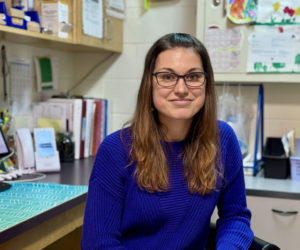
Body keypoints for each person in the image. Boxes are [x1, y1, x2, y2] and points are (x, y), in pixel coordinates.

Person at [81, 33, 253, 249]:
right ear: (149, 84)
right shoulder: (115, 150)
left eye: (193, 77)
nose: (181, 89)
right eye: (167, 77)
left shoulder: (223, 139)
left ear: (206, 83)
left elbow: (235, 217)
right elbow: (99, 244)